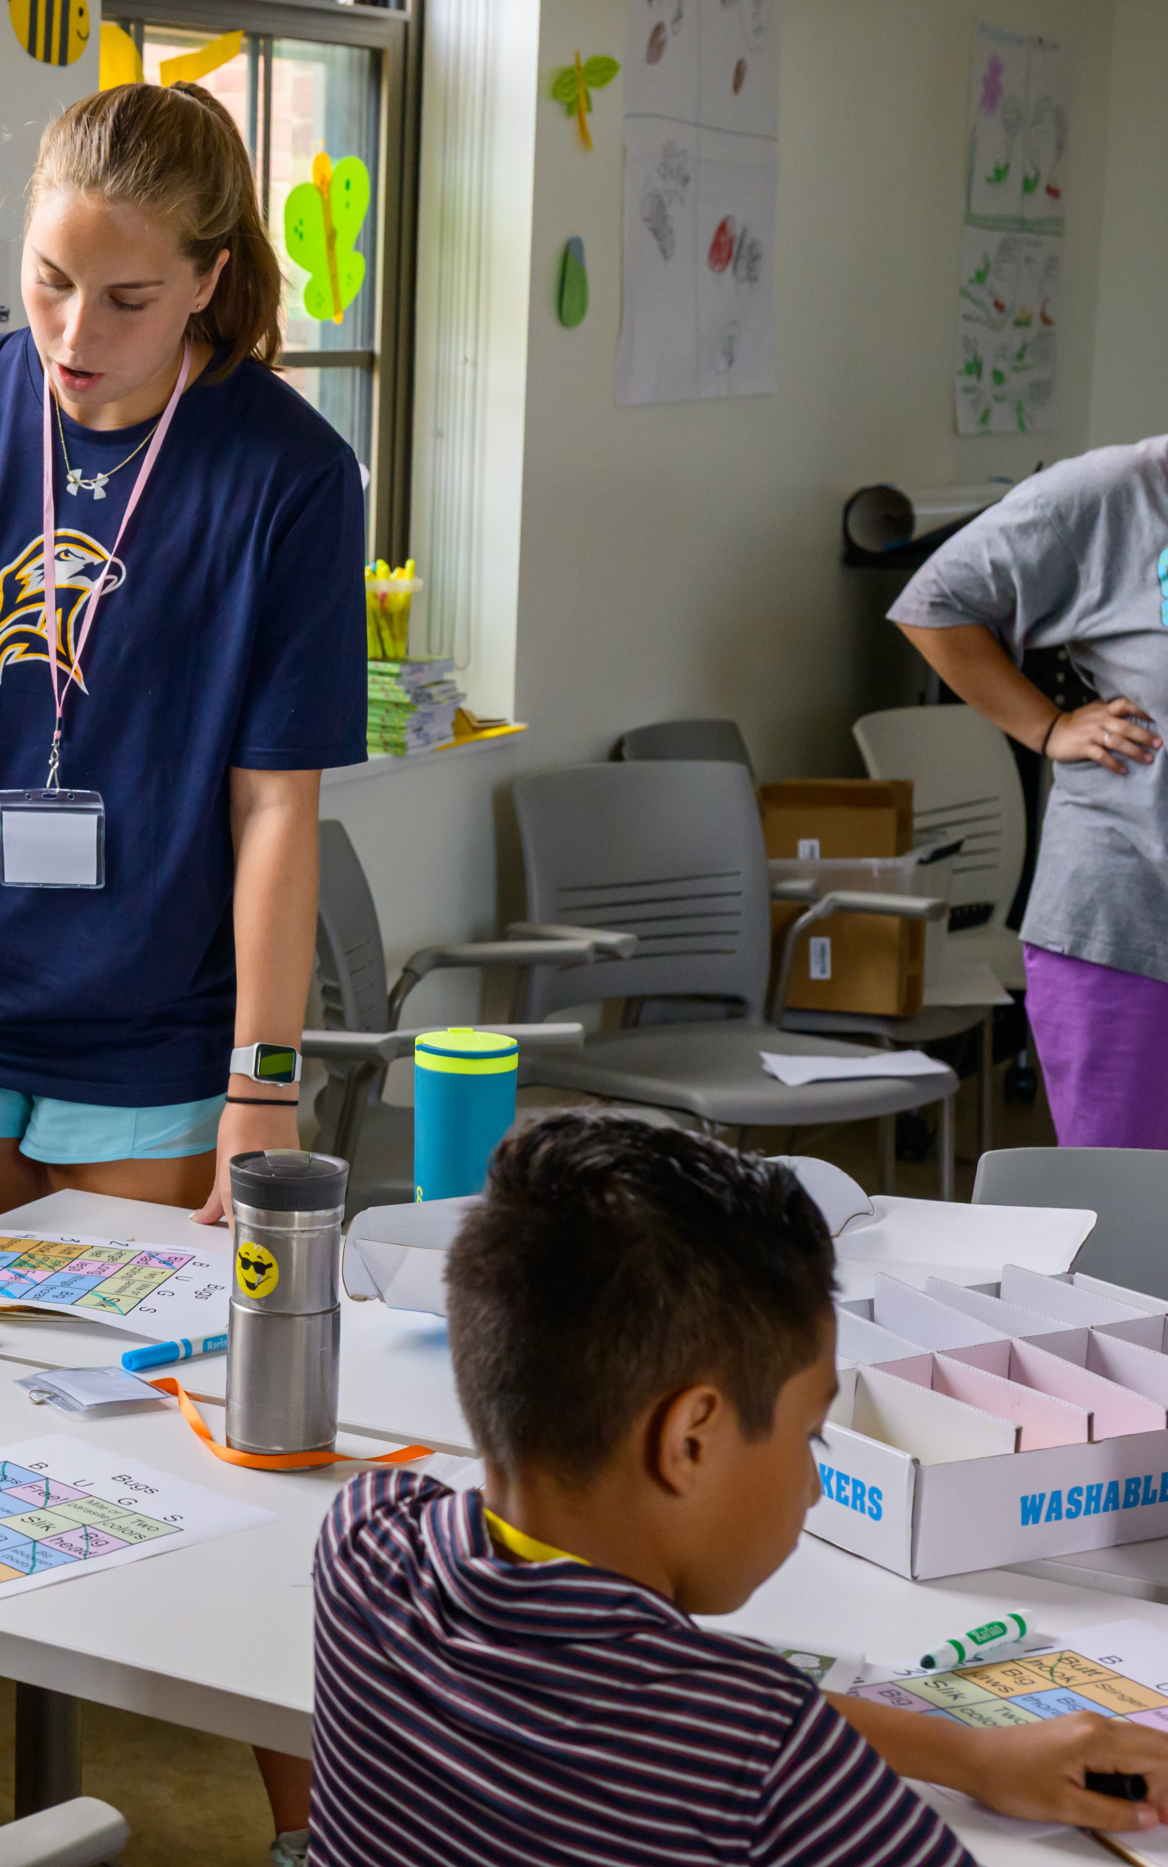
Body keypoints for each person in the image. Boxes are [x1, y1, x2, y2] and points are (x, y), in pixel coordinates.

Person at [0, 79, 365, 1856]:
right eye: (49, 281)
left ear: (208, 279)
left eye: (126, 299)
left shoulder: (286, 470)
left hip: (159, 1042)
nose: (74, 331)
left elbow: (276, 808)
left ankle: (323, 1814)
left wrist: (257, 1085)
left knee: (173, 1457)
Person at [308, 1112, 1168, 1860]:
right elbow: (741, 1731)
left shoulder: (364, 1545)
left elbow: (674, 1708)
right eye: (808, 1434)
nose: (816, 1490)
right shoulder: (770, 1772)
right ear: (689, 1441)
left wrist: (973, 1755)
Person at [889, 441, 1168, 1147]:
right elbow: (935, 602)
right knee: (1125, 1215)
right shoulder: (1115, 492)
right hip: (1127, 924)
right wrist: (1045, 727)